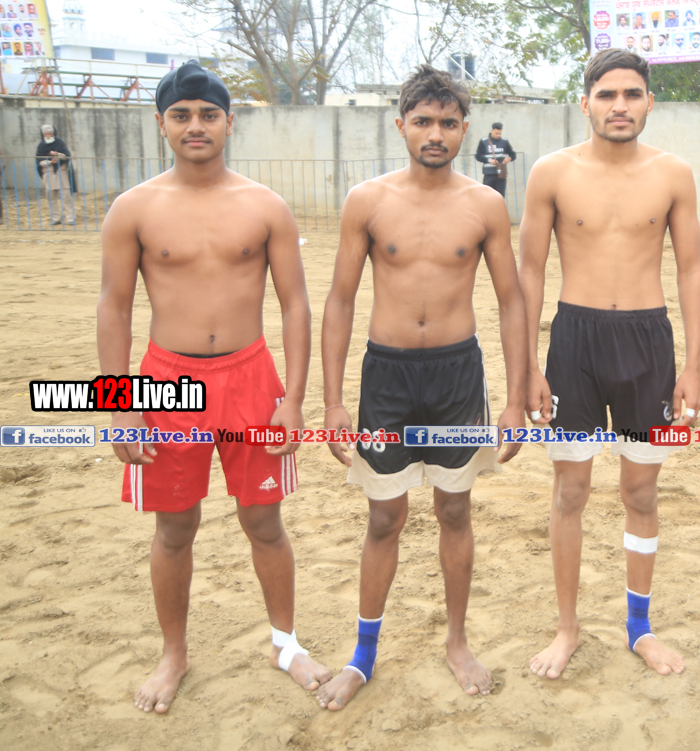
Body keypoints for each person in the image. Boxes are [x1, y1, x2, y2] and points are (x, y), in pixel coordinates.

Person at [96, 60, 328, 714]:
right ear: (161, 123)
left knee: (264, 521)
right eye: (181, 115)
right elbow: (113, 306)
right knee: (175, 528)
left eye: (208, 114)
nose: (195, 125)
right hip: (165, 385)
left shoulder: (264, 206)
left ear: (229, 122)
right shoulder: (134, 208)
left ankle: (285, 644)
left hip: (250, 378)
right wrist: (119, 405)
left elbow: (295, 304)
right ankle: (174, 654)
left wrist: (292, 399)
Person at [317, 64, 529, 710]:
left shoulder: (485, 205)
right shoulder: (368, 200)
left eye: (447, 123)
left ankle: (457, 641)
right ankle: (363, 654)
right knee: (384, 515)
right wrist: (333, 402)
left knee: (455, 510)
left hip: (457, 376)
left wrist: (515, 400)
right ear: (401, 125)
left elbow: (512, 302)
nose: (435, 134)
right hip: (386, 377)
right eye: (423, 121)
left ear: (465, 129)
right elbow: (340, 300)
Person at [520, 49, 700, 679]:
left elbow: (691, 269)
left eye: (631, 94)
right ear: (585, 103)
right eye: (606, 94)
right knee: (570, 490)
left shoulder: (673, 173)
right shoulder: (551, 172)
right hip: (573, 342)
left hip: (649, 344)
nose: (619, 106)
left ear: (650, 101)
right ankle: (566, 628)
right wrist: (528, 366)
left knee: (641, 492)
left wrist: (694, 366)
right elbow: (529, 272)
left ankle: (639, 627)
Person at [36, 124, 75, 226]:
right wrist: (50, 162)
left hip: (61, 172)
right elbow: (39, 161)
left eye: (50, 133)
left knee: (66, 196)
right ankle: (56, 218)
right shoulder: (41, 146)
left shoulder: (60, 143)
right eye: (46, 134)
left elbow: (66, 156)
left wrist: (57, 154)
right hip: (48, 173)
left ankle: (70, 218)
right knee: (51, 197)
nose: (48, 135)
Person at [474, 122, 516, 199]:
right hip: (489, 174)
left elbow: (513, 155)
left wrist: (508, 159)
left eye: (500, 133)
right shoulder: (484, 141)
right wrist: (490, 160)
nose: (498, 135)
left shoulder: (504, 141)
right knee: (487, 195)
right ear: (492, 131)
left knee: (500, 196)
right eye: (496, 133)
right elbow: (478, 156)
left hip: (501, 174)